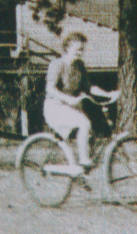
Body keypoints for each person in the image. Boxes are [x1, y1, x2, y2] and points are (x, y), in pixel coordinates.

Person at [43, 31, 119, 168]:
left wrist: (108, 94)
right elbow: (50, 89)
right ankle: (83, 161)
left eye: (82, 49)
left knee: (91, 133)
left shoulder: (79, 66)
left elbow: (89, 87)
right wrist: (68, 98)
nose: (80, 52)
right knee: (84, 123)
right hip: (55, 107)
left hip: (71, 107)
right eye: (78, 49)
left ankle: (82, 170)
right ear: (67, 47)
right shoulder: (57, 64)